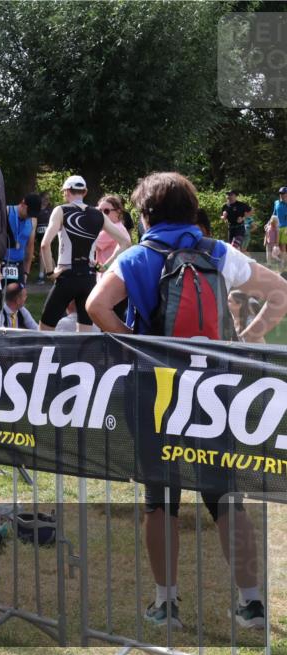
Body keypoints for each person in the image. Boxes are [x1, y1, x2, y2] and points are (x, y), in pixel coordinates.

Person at [87, 172, 287, 631]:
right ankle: (252, 603)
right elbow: (280, 293)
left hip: (155, 392)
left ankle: (166, 604)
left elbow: (98, 306)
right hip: (214, 393)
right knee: (225, 495)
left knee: (160, 499)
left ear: (146, 215)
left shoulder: (139, 255)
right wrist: (243, 340)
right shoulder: (219, 252)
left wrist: (139, 346)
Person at [38, 175, 130, 332]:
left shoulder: (60, 211)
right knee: (84, 336)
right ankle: (83, 357)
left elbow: (45, 244)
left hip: (66, 276)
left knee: (44, 330)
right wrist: (105, 266)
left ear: (66, 192)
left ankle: (44, 357)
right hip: (88, 278)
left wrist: (50, 273)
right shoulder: (98, 214)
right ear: (85, 192)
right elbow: (126, 242)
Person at [4, 193, 42, 286]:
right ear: (23, 204)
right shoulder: (6, 211)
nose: (29, 216)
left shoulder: (33, 220)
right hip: (2, 262)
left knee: (18, 298)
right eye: (28, 212)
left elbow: (30, 247)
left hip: (18, 265)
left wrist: (26, 272)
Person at [35, 193, 52, 284]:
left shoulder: (50, 210)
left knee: (42, 253)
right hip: (38, 235)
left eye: (48, 199)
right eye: (45, 199)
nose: (46, 201)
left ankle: (41, 275)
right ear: (41, 199)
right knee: (47, 254)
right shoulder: (36, 210)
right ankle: (55, 272)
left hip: (48, 234)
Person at [270, 186, 287, 266]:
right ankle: (281, 261)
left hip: (285, 227)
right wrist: (268, 223)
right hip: (277, 227)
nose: (281, 195)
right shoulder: (276, 202)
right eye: (280, 193)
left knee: (283, 245)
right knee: (277, 245)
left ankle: (283, 263)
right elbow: (274, 214)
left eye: (283, 193)